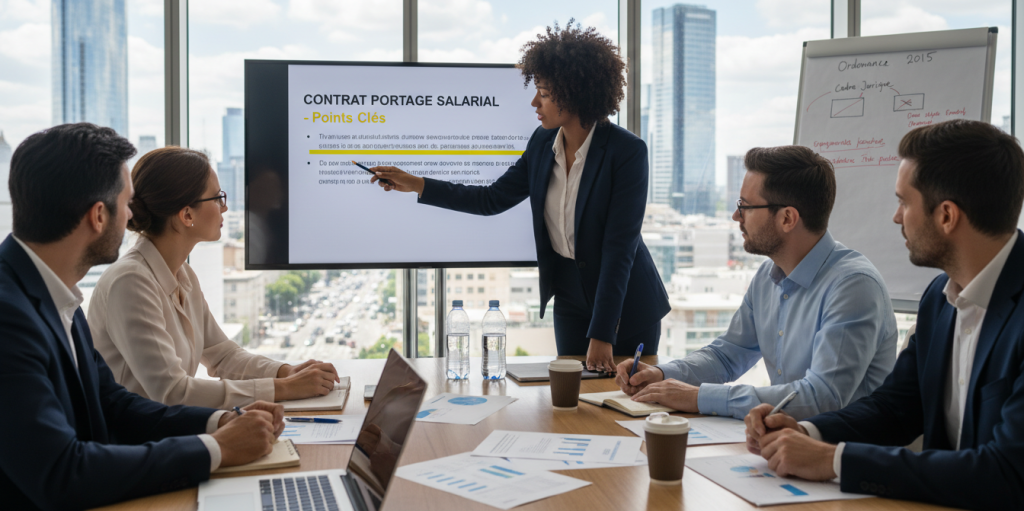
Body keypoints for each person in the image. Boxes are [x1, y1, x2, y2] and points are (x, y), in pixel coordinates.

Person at [0, 123, 285, 510]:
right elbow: (62, 471)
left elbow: (113, 403)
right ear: (99, 215)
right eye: (127, 202)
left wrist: (220, 422)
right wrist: (214, 449)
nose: (133, 215)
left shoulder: (53, 294)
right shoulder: (9, 317)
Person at [744, 120, 1024, 510]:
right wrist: (807, 430)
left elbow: (1007, 473)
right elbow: (896, 408)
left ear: (946, 216)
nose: (897, 217)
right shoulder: (939, 299)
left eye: (904, 202)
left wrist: (834, 460)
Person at [370, 21, 670, 371]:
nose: (534, 102)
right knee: (571, 402)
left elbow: (620, 250)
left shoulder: (627, 152)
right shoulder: (543, 144)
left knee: (626, 401)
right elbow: (491, 199)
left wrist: (603, 334)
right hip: (571, 298)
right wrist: (417, 183)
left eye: (542, 92)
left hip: (627, 304)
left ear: (574, 92)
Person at [615, 146, 898, 420]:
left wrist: (697, 397)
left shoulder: (853, 287)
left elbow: (821, 398)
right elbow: (728, 356)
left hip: (838, 455)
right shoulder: (768, 275)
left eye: (745, 206)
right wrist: (663, 374)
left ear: (787, 218)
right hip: (783, 441)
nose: (736, 216)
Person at [89, 146, 339, 409]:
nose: (225, 207)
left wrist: (287, 372)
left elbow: (223, 356)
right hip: (137, 443)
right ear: (187, 215)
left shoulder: (182, 273)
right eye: (218, 198)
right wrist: (285, 388)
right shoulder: (130, 282)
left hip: (169, 433)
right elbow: (173, 392)